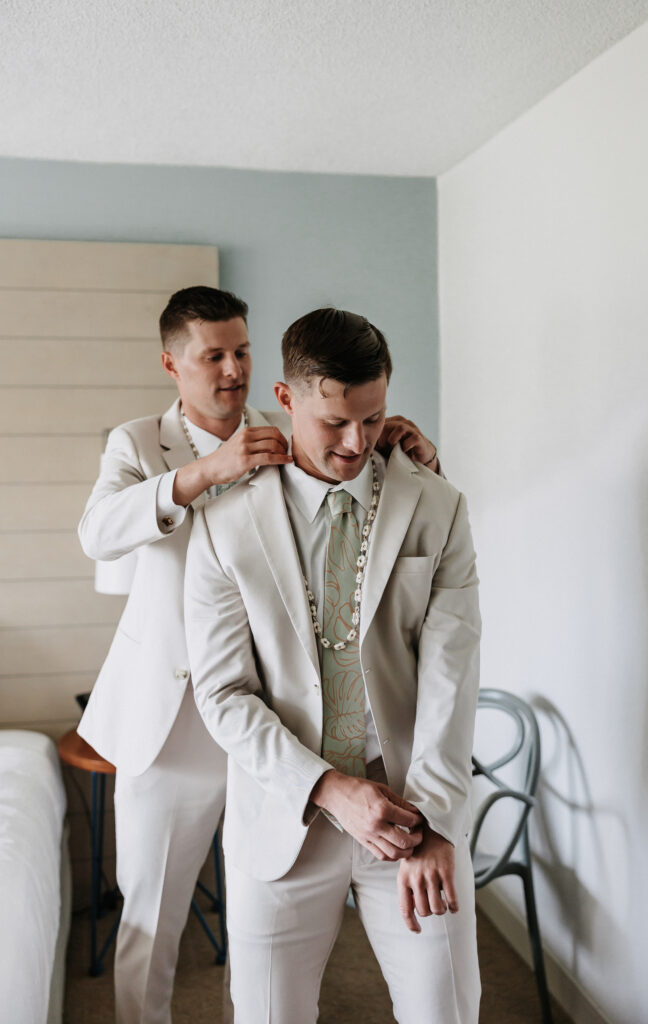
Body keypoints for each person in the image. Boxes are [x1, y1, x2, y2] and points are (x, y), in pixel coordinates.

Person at [77, 287, 438, 1023]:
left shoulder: (296, 427)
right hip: (170, 722)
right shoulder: (137, 443)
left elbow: (370, 511)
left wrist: (399, 446)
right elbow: (98, 533)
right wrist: (206, 473)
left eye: (242, 350)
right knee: (151, 917)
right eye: (213, 354)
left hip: (272, 726)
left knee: (264, 912)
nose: (233, 368)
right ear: (172, 363)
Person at [184, 307, 482, 1023]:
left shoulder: (437, 508)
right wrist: (327, 789)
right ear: (286, 399)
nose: (357, 444)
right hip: (283, 816)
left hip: (412, 814)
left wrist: (434, 823)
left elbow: (451, 672)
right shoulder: (224, 524)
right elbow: (224, 693)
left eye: (373, 420)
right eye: (335, 424)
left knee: (445, 1012)